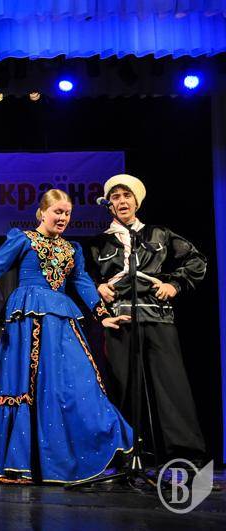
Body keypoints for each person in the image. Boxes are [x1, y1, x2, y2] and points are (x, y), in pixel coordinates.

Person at [0, 189, 133, 484]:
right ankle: (25, 461)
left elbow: (82, 282)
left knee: (78, 381)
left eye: (67, 213)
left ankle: (99, 446)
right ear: (42, 212)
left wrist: (102, 315)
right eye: (58, 212)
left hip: (61, 319)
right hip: (29, 318)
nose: (63, 218)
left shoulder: (72, 249)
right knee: (28, 384)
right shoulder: (23, 239)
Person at [89, 174, 207, 463]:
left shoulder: (159, 234)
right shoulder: (99, 243)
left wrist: (174, 284)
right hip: (120, 321)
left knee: (170, 387)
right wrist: (97, 288)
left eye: (126, 196)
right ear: (109, 205)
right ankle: (127, 454)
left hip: (158, 318)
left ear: (137, 202)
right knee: (123, 387)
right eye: (115, 197)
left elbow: (197, 260)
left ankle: (182, 456)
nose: (122, 201)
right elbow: (81, 277)